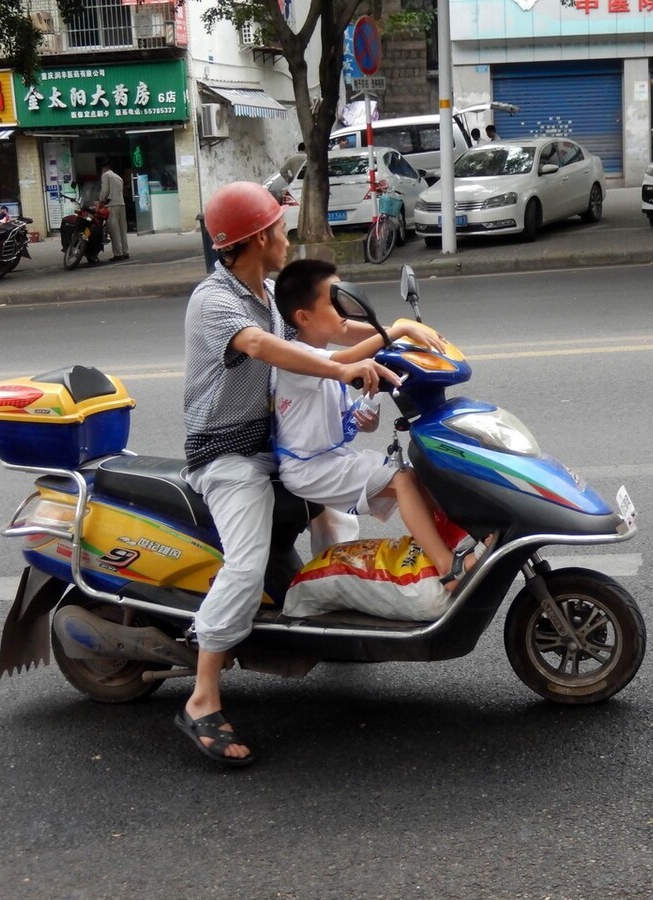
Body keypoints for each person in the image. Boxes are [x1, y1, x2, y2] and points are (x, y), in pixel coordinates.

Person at [176, 181, 443, 767]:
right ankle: (202, 697)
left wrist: (398, 333)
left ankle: (327, 621)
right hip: (229, 454)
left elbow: (333, 331)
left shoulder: (271, 292)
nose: (286, 236)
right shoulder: (214, 301)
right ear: (254, 239)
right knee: (246, 566)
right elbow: (265, 348)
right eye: (278, 229)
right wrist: (341, 371)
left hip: (279, 444)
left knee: (338, 522)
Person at [272, 258, 483, 593]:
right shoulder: (299, 359)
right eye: (333, 302)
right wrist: (397, 329)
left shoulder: (325, 362)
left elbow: (349, 423)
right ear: (304, 317)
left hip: (332, 459)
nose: (344, 310)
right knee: (402, 479)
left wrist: (365, 416)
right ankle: (447, 569)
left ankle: (448, 549)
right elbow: (345, 359)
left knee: (422, 475)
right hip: (309, 468)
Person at [98, 158, 128, 261]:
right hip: (121, 204)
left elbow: (105, 190)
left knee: (114, 231)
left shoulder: (106, 175)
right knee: (122, 230)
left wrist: (101, 201)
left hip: (112, 205)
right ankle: (125, 252)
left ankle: (118, 254)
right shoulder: (118, 177)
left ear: (104, 168)